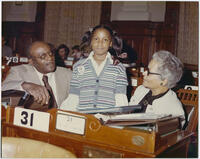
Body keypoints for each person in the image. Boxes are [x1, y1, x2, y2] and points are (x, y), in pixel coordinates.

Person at [61, 24, 128, 111]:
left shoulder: (118, 68)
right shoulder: (79, 66)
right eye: (96, 39)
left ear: (110, 43)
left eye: (105, 40)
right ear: (90, 41)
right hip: (84, 117)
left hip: (107, 118)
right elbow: (74, 96)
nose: (100, 43)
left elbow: (120, 98)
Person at [2, 41, 72, 108]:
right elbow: (3, 87)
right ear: (31, 61)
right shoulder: (20, 71)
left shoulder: (67, 74)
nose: (50, 58)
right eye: (43, 56)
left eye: (50, 54)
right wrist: (25, 85)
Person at [129, 50, 185, 124]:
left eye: (149, 72)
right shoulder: (141, 90)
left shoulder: (174, 110)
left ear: (164, 81)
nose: (144, 73)